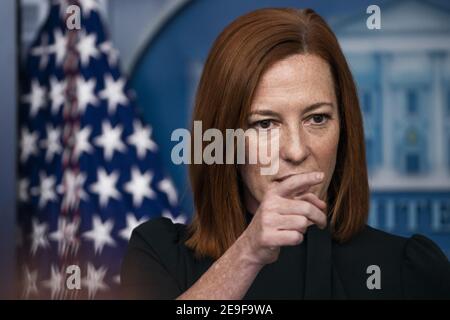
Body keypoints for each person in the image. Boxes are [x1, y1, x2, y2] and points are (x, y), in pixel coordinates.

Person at [120, 8, 450, 299]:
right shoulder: (160, 256)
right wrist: (247, 255)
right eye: (265, 124)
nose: (295, 150)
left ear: (344, 128)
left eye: (317, 118)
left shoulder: (406, 268)